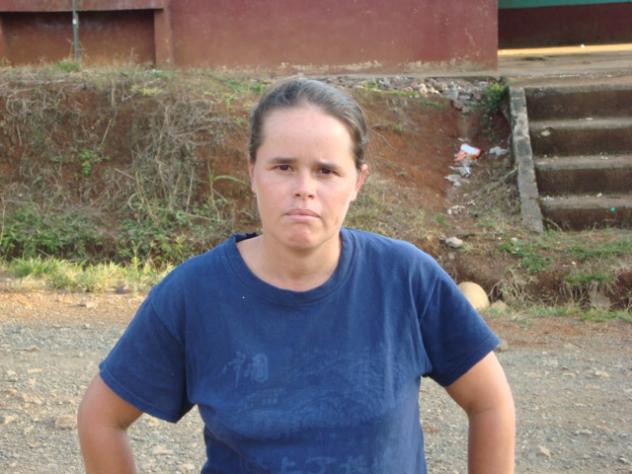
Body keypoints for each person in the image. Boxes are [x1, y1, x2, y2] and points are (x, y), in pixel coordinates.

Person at [78, 78, 515, 473]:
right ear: (252, 171)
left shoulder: (404, 277)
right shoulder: (194, 294)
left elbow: (490, 402)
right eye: (283, 167)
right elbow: (101, 418)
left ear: (357, 182)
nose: (304, 188)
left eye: (326, 171)